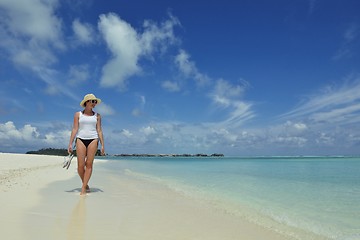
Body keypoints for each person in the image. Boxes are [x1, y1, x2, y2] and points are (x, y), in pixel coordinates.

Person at [68, 93, 105, 195]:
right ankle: (85, 183)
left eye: (95, 102)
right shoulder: (78, 114)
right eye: (93, 101)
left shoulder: (97, 116)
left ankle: (83, 188)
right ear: (87, 102)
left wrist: (102, 145)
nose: (94, 103)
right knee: (80, 166)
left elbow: (99, 130)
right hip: (80, 139)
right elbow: (75, 129)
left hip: (93, 139)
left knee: (89, 164)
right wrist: (70, 143)